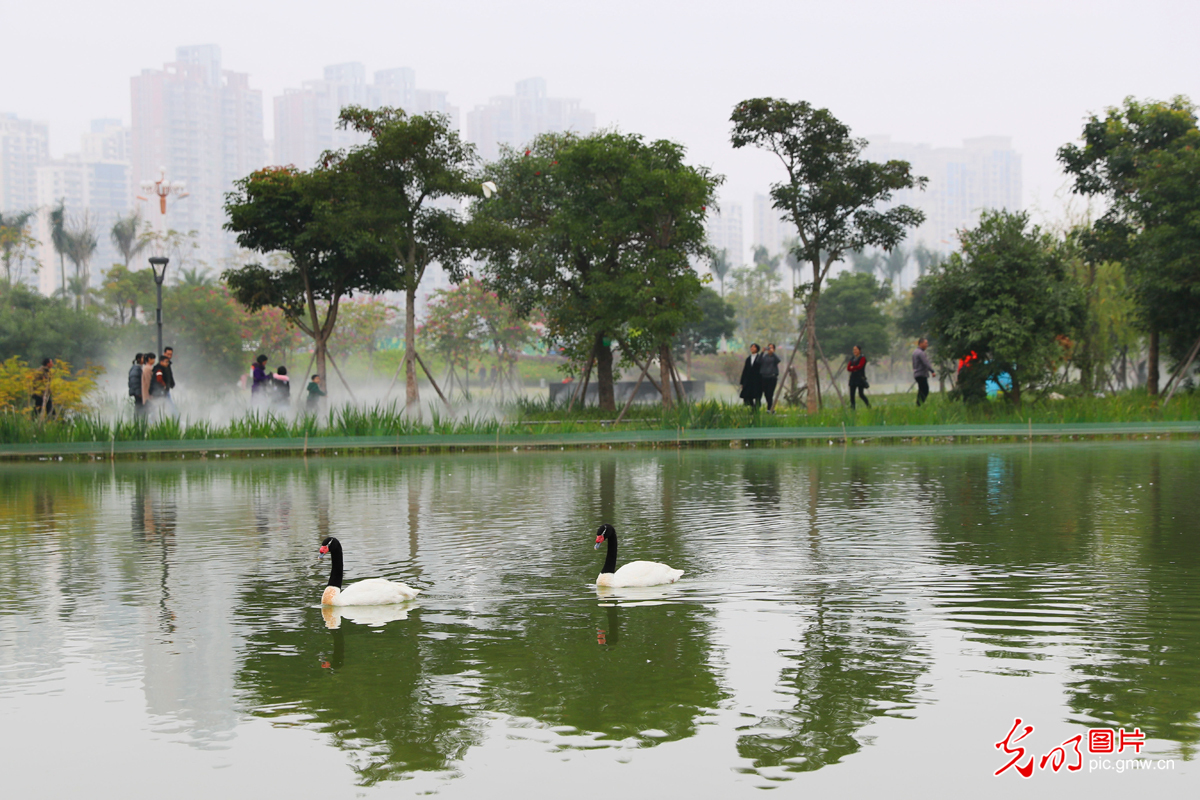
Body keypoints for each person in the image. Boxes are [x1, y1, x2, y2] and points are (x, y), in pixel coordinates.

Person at [912, 337, 935, 406]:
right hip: (921, 374)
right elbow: (926, 363)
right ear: (921, 343)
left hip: (917, 374)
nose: (927, 345)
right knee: (925, 390)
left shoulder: (915, 352)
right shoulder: (920, 353)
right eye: (925, 343)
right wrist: (932, 371)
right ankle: (919, 404)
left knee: (921, 390)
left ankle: (919, 404)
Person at [739, 343, 764, 408]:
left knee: (757, 395)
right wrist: (742, 382)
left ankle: (756, 409)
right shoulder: (748, 359)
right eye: (751, 347)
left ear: (757, 349)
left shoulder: (760, 358)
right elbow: (745, 370)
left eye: (754, 347)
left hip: (757, 380)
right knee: (747, 395)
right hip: (748, 380)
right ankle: (752, 407)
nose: (752, 348)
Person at [759, 343, 781, 412]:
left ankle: (770, 408)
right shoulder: (764, 357)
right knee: (765, 393)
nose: (769, 349)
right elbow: (758, 361)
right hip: (764, 377)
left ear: (774, 349)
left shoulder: (774, 357)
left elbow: (778, 360)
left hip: (772, 377)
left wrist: (773, 353)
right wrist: (762, 352)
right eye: (768, 347)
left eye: (771, 348)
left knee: (770, 393)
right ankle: (770, 408)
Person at [847, 345, 870, 410]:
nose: (855, 351)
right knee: (852, 395)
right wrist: (854, 368)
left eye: (856, 349)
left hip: (860, 378)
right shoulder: (852, 359)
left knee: (861, 394)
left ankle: (868, 406)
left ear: (859, 350)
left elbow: (860, 366)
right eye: (854, 349)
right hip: (853, 378)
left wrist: (853, 367)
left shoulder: (862, 358)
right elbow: (848, 368)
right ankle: (853, 409)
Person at [128, 353, 145, 418]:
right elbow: (134, 381)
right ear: (139, 359)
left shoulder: (136, 368)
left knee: (139, 407)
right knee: (139, 408)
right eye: (143, 358)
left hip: (138, 392)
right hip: (138, 393)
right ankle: (138, 422)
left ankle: (138, 422)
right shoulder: (136, 369)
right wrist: (139, 392)